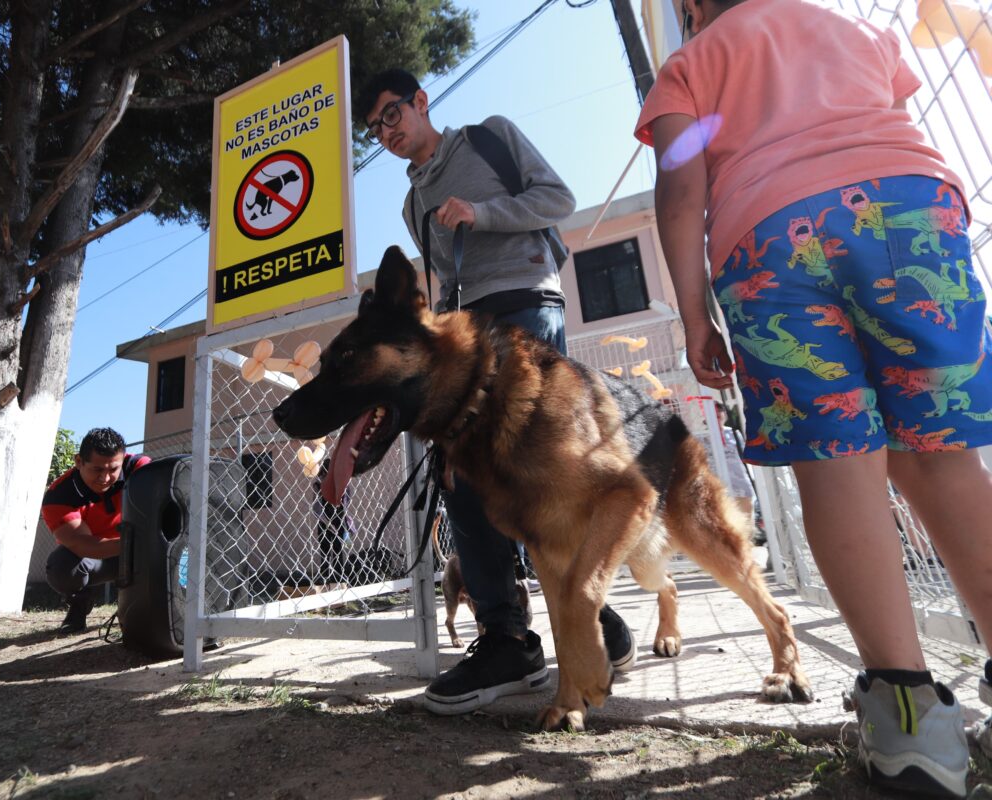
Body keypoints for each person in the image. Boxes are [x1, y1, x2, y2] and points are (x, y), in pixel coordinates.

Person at [636, 0, 992, 794]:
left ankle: (911, 728)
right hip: (910, 208)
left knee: (838, 464)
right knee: (941, 456)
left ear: (691, 7)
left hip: (771, 236)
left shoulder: (689, 64)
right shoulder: (853, 28)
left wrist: (696, 317)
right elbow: (893, 111)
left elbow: (680, 189)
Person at [357, 68, 636, 717]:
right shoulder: (411, 205)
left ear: (421, 103)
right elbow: (447, 283)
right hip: (468, 329)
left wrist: (481, 213)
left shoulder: (489, 141)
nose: (388, 133)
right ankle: (508, 637)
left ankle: (591, 620)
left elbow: (557, 199)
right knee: (457, 470)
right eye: (376, 128)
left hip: (528, 302)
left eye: (392, 115)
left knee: (535, 468)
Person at [42, 427, 149, 634]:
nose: (105, 478)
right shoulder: (59, 496)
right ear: (78, 461)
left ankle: (147, 610)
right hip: (98, 557)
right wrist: (132, 543)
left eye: (112, 470)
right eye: (97, 470)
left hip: (140, 550)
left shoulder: (138, 468)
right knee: (62, 566)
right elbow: (80, 544)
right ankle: (80, 604)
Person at [312, 458, 353, 584]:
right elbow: (316, 509)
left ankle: (338, 579)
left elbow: (348, 497)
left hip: (338, 520)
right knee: (326, 551)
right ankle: (325, 579)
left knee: (337, 550)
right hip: (325, 521)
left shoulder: (341, 483)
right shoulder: (318, 485)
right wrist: (328, 523)